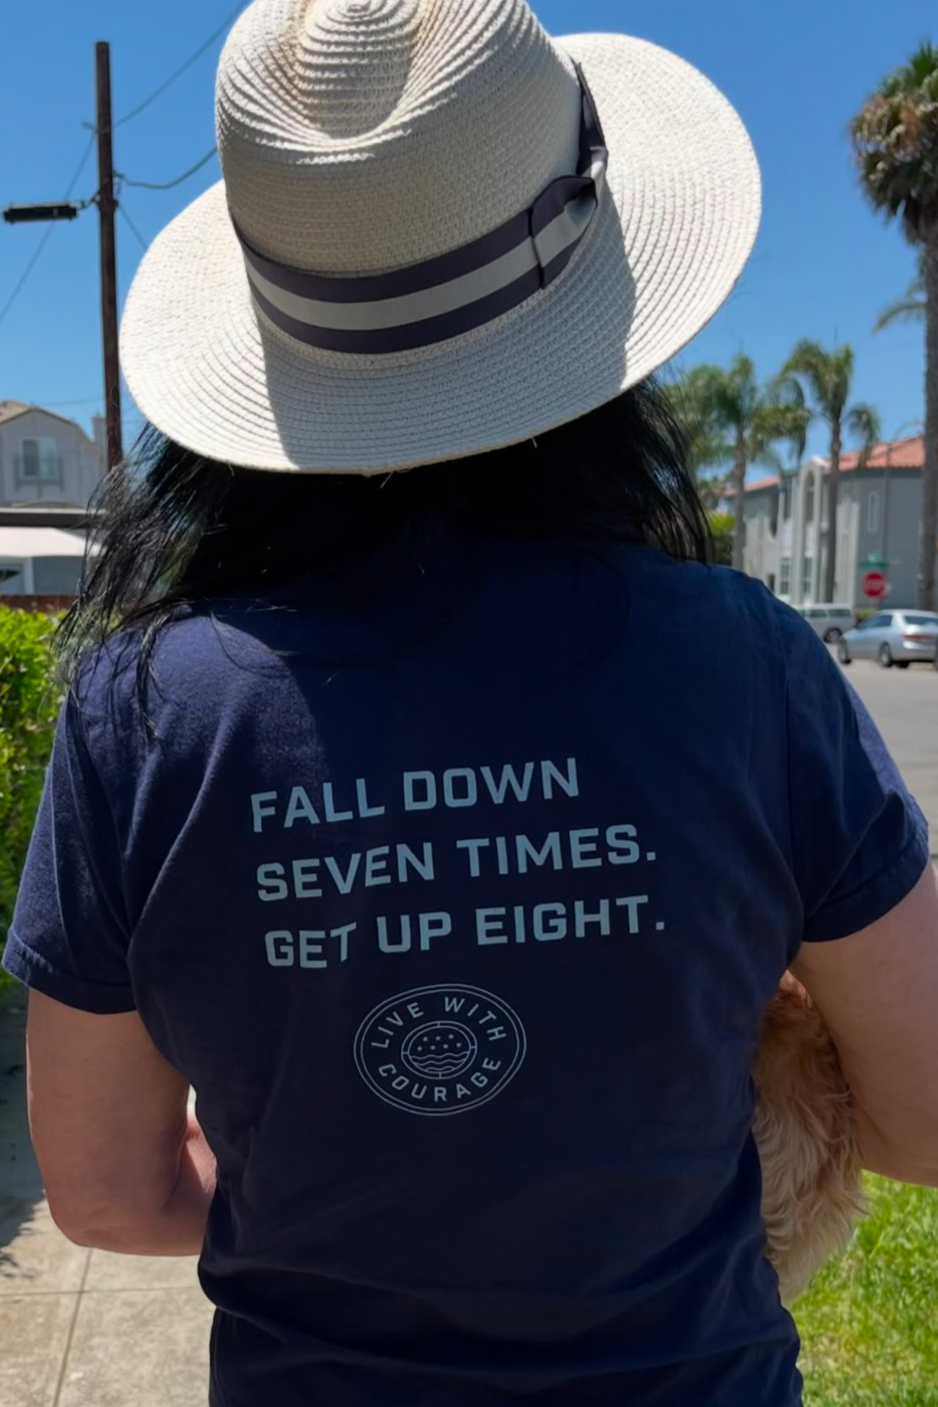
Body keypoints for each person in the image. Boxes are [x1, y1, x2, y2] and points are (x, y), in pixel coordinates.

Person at [5, 2, 937, 1404]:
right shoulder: (745, 663)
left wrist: (308, 1219)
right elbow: (923, 1115)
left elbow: (105, 1193)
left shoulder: (140, 712)